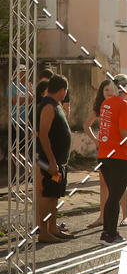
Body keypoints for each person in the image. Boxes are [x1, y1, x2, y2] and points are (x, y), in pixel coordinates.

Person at [96, 73, 127, 245]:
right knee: (115, 196)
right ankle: (111, 233)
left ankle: (106, 232)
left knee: (112, 195)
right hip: (119, 156)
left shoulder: (106, 103)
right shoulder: (124, 105)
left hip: (104, 154)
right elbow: (125, 133)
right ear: (124, 88)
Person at [84, 79, 127, 229]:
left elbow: (124, 130)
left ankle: (125, 216)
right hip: (104, 150)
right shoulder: (101, 107)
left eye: (111, 90)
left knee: (120, 185)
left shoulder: (121, 105)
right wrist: (96, 140)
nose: (109, 93)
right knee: (104, 184)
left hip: (119, 150)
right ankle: (102, 216)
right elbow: (86, 125)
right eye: (106, 90)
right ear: (101, 93)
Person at [36, 74, 73, 243]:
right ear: (62, 90)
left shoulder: (55, 105)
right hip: (49, 162)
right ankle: (43, 231)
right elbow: (43, 135)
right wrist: (51, 161)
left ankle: (52, 228)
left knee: (54, 195)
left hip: (58, 162)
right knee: (46, 195)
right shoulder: (48, 106)